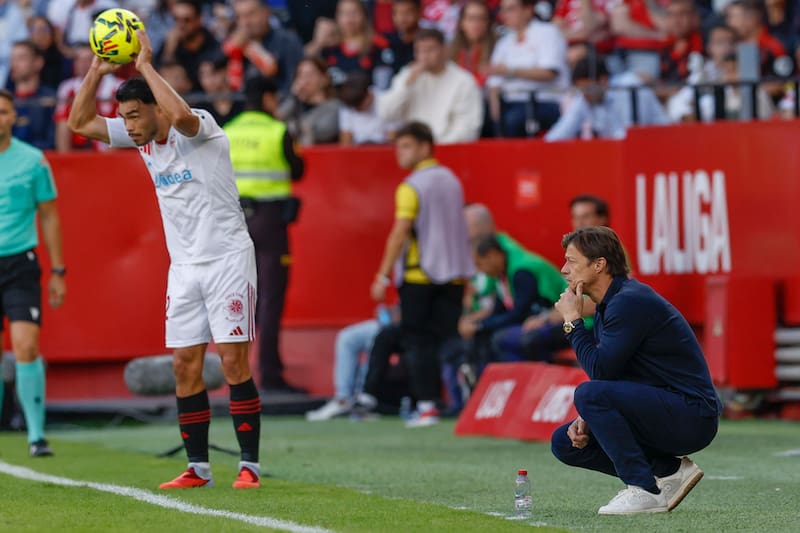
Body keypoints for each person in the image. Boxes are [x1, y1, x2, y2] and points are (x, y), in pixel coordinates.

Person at [68, 29, 262, 490]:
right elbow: (80, 123)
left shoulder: (200, 128)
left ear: (154, 108)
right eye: (125, 118)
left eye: (136, 116)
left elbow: (178, 114)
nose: (129, 126)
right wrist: (97, 69)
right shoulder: (141, 140)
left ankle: (249, 466)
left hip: (228, 260)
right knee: (183, 365)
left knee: (233, 363)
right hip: (185, 268)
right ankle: (198, 467)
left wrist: (145, 66)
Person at [551, 226, 722, 514]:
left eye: (571, 261)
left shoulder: (629, 301)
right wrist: (589, 418)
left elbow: (600, 372)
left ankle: (644, 488)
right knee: (565, 442)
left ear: (599, 264)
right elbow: (614, 373)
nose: (564, 269)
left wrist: (572, 322)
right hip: (664, 405)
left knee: (589, 394)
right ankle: (668, 471)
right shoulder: (611, 304)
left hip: (692, 415)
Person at [369, 121, 474, 427]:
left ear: (425, 146)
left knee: (418, 341)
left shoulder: (411, 186)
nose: (399, 153)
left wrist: (382, 275)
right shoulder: (452, 180)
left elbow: (400, 233)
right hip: (454, 274)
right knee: (448, 340)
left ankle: (427, 404)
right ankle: (463, 399)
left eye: (406, 146)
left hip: (420, 274)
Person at [224, 77, 305, 395]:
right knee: (269, 298)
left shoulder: (228, 131)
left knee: (234, 299)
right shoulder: (277, 131)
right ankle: (269, 374)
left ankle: (235, 373)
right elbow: (298, 170)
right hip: (270, 221)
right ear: (269, 98)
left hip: (232, 220)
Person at [0, 88, 65, 458]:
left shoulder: (34, 161)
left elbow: (50, 216)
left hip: (20, 263)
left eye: (4, 111)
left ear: (13, 117)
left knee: (26, 346)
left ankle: (36, 436)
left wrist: (58, 270)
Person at [461, 234, 568, 365]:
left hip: (564, 319)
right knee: (481, 338)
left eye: (479, 264)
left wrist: (480, 327)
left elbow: (520, 313)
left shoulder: (521, 271)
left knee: (501, 339)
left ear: (492, 255)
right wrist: (477, 326)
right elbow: (500, 310)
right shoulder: (502, 273)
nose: (480, 271)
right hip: (539, 318)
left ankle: (530, 380)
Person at [378, 28, 483, 144]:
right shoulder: (407, 76)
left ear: (445, 49)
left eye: (430, 49)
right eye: (420, 50)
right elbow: (386, 114)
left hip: (449, 149)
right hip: (413, 151)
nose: (424, 56)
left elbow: (468, 128)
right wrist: (405, 86)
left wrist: (437, 147)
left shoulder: (464, 81)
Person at [487, 0, 570, 137]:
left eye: (511, 9)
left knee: (513, 119)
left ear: (528, 10)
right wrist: (495, 117)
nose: (504, 15)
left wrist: (510, 71)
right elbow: (494, 84)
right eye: (502, 10)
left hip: (545, 101)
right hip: (510, 102)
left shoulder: (548, 32)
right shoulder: (504, 42)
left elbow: (549, 72)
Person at [544, 54, 670, 141]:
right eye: (581, 90)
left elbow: (631, 136)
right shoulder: (585, 98)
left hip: (659, 144)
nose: (585, 94)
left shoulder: (629, 87)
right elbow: (557, 136)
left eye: (588, 89)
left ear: (603, 81)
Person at [54, 42, 123, 152]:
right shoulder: (67, 88)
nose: (83, 64)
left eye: (88, 60)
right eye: (79, 59)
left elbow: (122, 130)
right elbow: (62, 129)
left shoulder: (119, 87)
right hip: (78, 156)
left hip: (111, 156)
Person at [226, 0, 304, 94]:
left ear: (267, 12)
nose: (245, 22)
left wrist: (254, 51)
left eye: (251, 14)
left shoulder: (287, 41)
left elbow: (292, 85)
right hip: (241, 104)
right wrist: (229, 49)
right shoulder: (234, 44)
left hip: (277, 103)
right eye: (239, 17)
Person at [155, 0, 220, 93]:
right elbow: (158, 76)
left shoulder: (212, 45)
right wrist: (169, 51)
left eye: (187, 20)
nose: (181, 25)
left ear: (199, 19)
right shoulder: (170, 44)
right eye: (176, 19)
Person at [278, 55, 340, 145]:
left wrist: (291, 126)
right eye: (300, 75)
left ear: (325, 79)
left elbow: (322, 132)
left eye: (310, 75)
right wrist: (293, 97)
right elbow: (275, 122)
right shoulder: (294, 105)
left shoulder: (334, 106)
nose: (304, 81)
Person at [6, 41, 56, 150]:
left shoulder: (51, 99)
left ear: (38, 63)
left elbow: (53, 142)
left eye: (21, 58)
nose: (14, 64)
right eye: (12, 59)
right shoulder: (4, 101)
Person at [338, 71, 396, 145]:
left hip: (382, 149)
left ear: (369, 95)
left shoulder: (386, 101)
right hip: (357, 151)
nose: (357, 109)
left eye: (359, 105)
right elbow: (345, 142)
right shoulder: (347, 106)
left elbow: (392, 138)